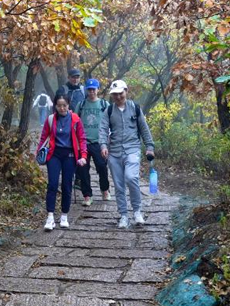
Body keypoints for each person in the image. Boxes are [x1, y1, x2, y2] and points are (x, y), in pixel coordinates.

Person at [99, 80, 156, 228]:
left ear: (126, 91)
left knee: (131, 178)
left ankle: (137, 211)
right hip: (114, 152)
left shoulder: (135, 108)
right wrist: (103, 145)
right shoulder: (109, 111)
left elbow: (144, 128)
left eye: (120, 93)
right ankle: (123, 215)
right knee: (118, 185)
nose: (118, 97)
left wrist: (149, 146)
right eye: (115, 94)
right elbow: (103, 129)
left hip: (132, 149)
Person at [36, 93, 88, 231]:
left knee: (67, 185)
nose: (62, 108)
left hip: (70, 155)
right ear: (55, 106)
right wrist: (39, 152)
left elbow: (82, 138)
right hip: (54, 155)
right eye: (59, 105)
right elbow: (43, 137)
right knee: (52, 184)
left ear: (68, 105)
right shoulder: (51, 119)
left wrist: (83, 155)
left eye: (64, 105)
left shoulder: (75, 119)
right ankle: (50, 216)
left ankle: (64, 215)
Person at [73, 78, 111, 205]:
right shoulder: (81, 105)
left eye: (93, 89)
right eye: (89, 89)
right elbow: (75, 122)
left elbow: (111, 122)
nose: (91, 92)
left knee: (102, 167)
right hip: (83, 142)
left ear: (98, 90)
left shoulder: (104, 105)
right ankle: (87, 195)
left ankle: (105, 189)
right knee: (83, 170)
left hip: (99, 142)